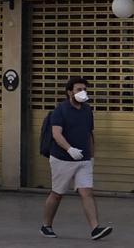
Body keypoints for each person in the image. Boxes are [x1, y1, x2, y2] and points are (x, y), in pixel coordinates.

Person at [41, 76, 111, 241]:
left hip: (83, 160)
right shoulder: (60, 110)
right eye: (79, 89)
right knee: (57, 194)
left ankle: (95, 228)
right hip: (62, 159)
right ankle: (46, 225)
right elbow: (56, 134)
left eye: (84, 89)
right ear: (69, 92)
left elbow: (89, 134)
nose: (82, 92)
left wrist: (91, 156)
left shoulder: (87, 110)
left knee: (86, 192)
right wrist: (69, 149)